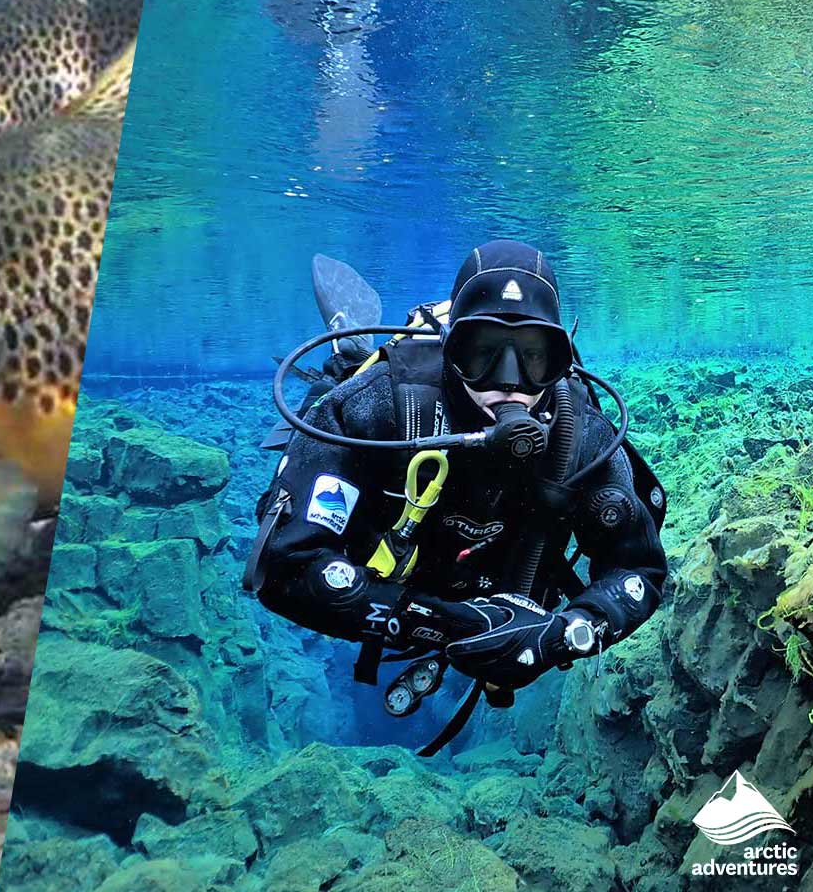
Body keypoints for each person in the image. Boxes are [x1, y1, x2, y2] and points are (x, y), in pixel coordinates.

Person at [252, 240, 666, 706]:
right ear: (451, 349)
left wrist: (565, 634)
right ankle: (351, 352)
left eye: (534, 356)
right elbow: (284, 566)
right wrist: (445, 624)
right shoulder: (383, 406)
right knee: (346, 385)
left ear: (559, 361)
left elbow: (638, 569)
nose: (508, 382)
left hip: (504, 597)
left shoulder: (580, 434)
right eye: (481, 352)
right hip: (397, 586)